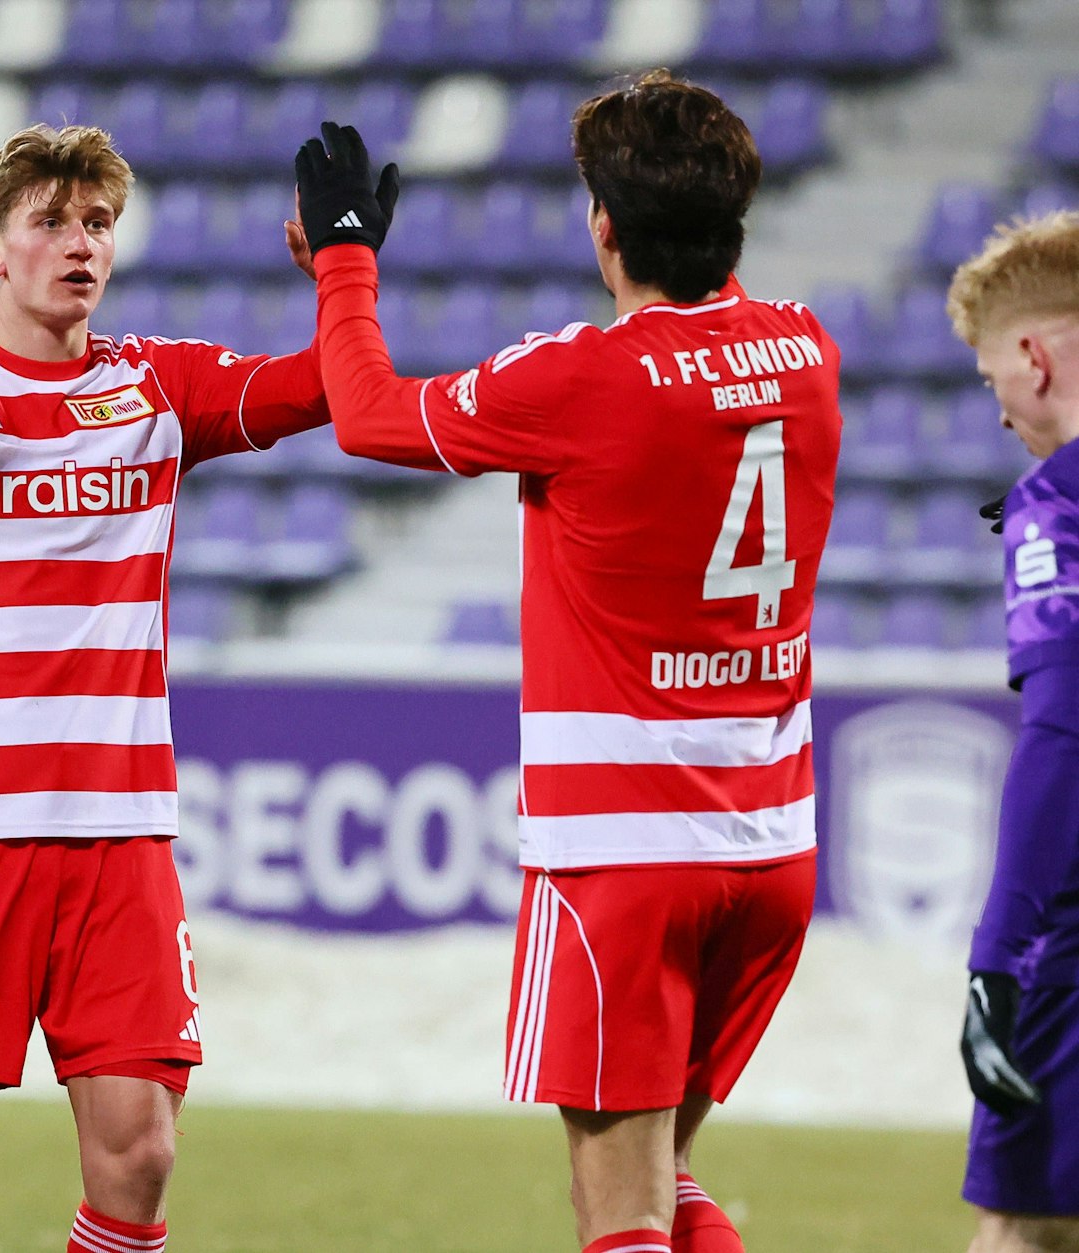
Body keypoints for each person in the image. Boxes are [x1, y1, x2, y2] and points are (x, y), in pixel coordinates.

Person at [291, 72, 840, 1253]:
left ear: (603, 226)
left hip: (622, 856)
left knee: (618, 1213)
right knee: (669, 1182)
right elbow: (714, 350)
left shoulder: (581, 377)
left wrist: (343, 264)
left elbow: (370, 413)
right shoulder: (805, 352)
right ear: (733, 216)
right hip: (772, 842)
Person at [0, 123, 339, 1253]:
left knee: (139, 1152)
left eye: (96, 224)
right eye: (50, 222)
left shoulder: (157, 385)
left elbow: (330, 390)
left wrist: (339, 275)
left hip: (115, 835)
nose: (79, 244)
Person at [949, 209, 1079, 1253]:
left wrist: (998, 955)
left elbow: (1061, 732)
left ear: (1033, 355)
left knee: (1021, 1223)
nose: (999, 411)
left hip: (1069, 948)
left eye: (992, 377)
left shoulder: (1058, 500)